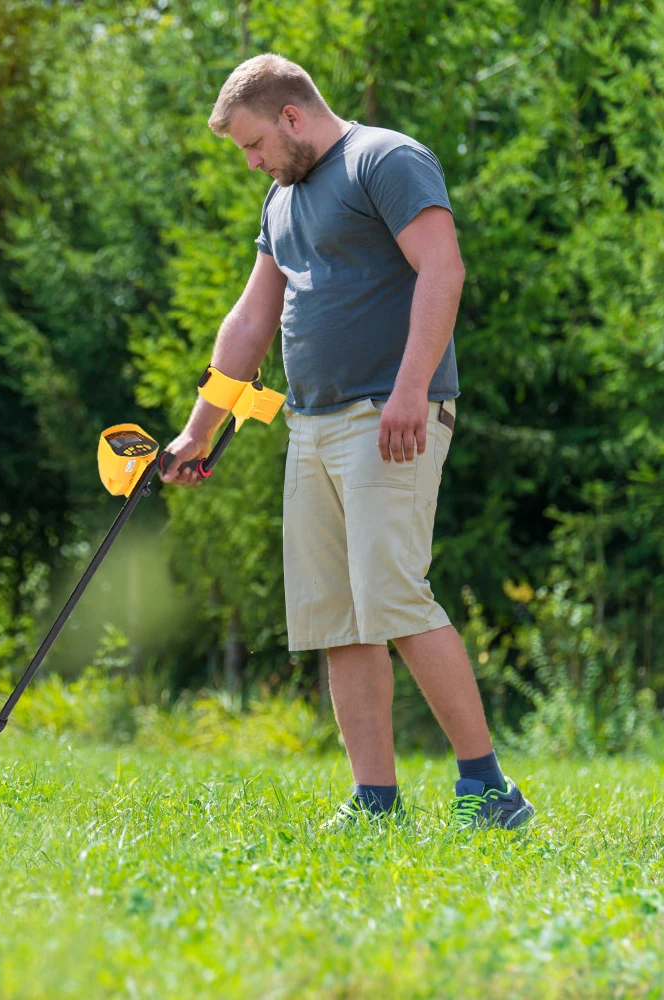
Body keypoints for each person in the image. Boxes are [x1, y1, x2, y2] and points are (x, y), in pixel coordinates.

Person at [161, 53, 534, 830]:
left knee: (395, 597)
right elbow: (251, 320)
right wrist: (198, 431)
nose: (252, 161)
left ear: (292, 116)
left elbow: (443, 269)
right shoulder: (282, 199)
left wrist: (410, 388)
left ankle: (490, 790)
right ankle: (374, 802)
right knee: (336, 616)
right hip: (311, 424)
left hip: (388, 414)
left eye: (254, 144)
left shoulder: (384, 160)